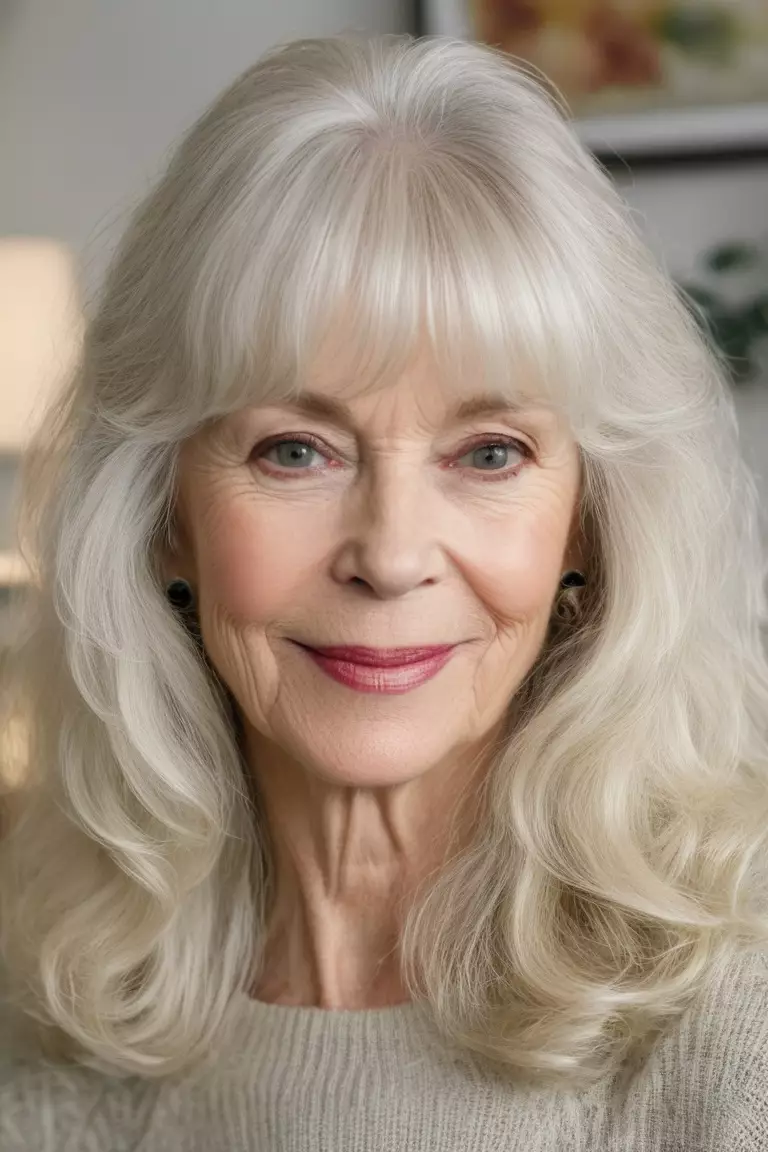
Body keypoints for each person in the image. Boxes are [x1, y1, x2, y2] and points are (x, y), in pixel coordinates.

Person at [2, 31, 768, 1152]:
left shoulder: (737, 1034)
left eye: (491, 452)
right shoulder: (46, 1011)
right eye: (296, 451)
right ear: (165, 517)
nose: (392, 553)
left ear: (588, 530)